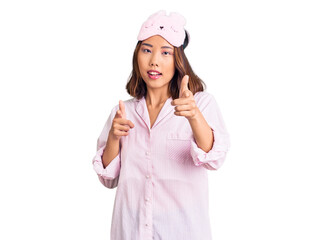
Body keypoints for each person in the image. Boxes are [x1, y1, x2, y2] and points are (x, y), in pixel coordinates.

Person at [92, 10, 231, 240]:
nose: (154, 60)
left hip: (182, 231)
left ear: (178, 60)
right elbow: (109, 179)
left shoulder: (200, 104)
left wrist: (194, 117)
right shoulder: (122, 112)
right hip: (130, 231)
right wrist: (114, 139)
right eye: (147, 50)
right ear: (137, 55)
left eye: (165, 52)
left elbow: (213, 158)